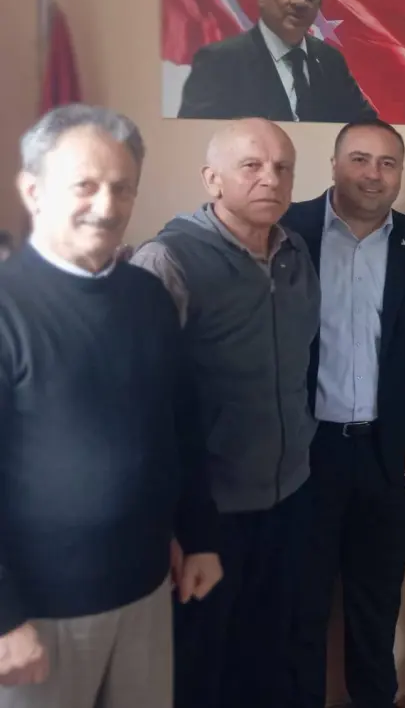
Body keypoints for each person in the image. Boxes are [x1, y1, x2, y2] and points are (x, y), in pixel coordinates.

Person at [0, 105, 220, 708]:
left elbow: (181, 426)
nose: (106, 204)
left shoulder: (148, 295)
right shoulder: (7, 305)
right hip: (36, 616)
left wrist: (199, 536)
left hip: (146, 590)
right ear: (33, 190)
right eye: (85, 185)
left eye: (122, 187)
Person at [130, 118, 321, 708]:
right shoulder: (168, 260)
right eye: (252, 166)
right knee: (201, 667)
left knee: (269, 658)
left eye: (283, 168)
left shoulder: (295, 251)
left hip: (288, 495)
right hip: (208, 511)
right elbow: (142, 402)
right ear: (212, 179)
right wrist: (171, 523)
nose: (271, 179)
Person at [283, 119, 405, 708]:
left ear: (400, 173)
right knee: (300, 603)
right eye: (359, 159)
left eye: (387, 163)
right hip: (304, 453)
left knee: (375, 606)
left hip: (391, 452)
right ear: (334, 165)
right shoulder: (287, 229)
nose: (373, 174)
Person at [178, 0, 378, 123]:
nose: (300, 1)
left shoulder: (330, 60)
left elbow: (367, 126)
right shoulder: (219, 61)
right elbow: (195, 134)